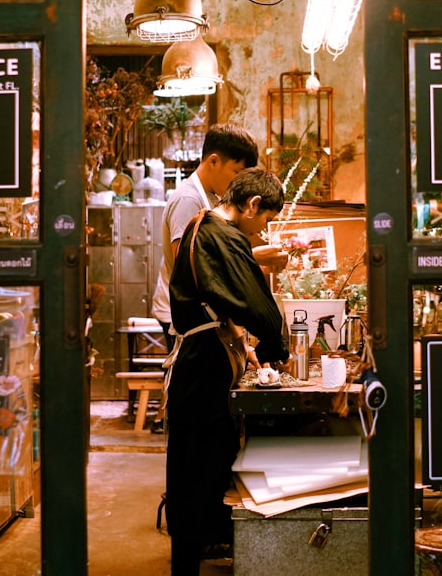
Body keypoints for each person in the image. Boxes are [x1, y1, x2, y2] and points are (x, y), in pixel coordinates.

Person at [165, 167, 289, 575]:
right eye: (266, 220)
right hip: (202, 367)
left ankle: (190, 559)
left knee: (193, 470)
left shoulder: (203, 226)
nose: (262, 231)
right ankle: (188, 562)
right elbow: (255, 302)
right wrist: (274, 347)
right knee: (198, 473)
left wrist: (241, 344)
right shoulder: (224, 235)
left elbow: (215, 300)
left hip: (197, 360)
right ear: (253, 205)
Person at [150, 124, 286, 432]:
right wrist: (253, 260)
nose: (236, 183)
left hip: (208, 319)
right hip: (192, 321)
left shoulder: (210, 199)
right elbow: (193, 264)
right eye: (236, 172)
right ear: (213, 161)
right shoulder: (189, 200)